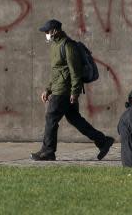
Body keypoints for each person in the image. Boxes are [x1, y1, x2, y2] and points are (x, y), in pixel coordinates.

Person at [30, 18, 114, 161]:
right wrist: (48, 89)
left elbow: (75, 72)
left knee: (51, 118)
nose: (46, 34)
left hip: (64, 91)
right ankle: (102, 141)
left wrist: (74, 92)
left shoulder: (68, 46)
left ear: (55, 31)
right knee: (75, 119)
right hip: (58, 89)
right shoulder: (55, 45)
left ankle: (48, 151)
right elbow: (57, 71)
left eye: (47, 31)